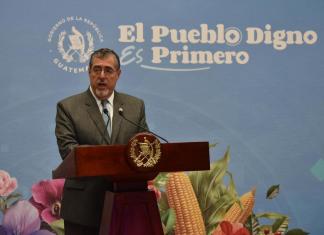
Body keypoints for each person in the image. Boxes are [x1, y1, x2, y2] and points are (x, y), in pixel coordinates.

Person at [55, 48, 149, 234]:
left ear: (118, 74)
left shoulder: (134, 107)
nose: (102, 76)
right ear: (89, 72)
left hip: (126, 204)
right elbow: (68, 151)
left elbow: (141, 147)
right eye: (97, 69)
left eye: (108, 70)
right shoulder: (68, 107)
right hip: (83, 208)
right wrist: (111, 158)